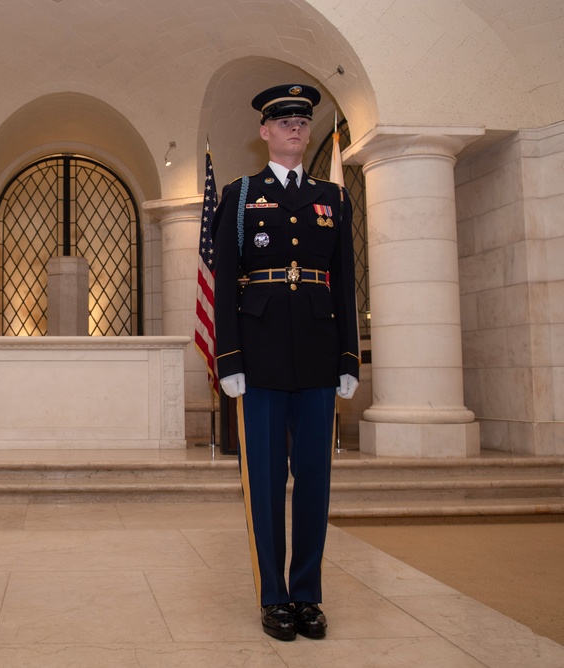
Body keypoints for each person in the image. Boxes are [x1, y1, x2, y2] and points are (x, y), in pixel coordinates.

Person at [212, 84, 359, 642]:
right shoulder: (243, 194)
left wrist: (350, 355)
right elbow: (226, 280)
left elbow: (343, 281)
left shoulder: (333, 198)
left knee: (315, 481)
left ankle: (307, 594)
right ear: (265, 131)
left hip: (320, 353)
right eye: (283, 120)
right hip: (262, 354)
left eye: (303, 120)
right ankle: (274, 596)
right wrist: (229, 357)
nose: (295, 127)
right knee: (268, 481)